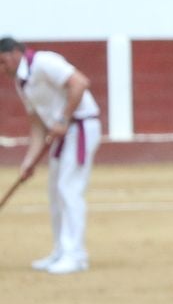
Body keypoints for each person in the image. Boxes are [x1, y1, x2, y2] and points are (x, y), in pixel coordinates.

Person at [0, 37, 101, 274]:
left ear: (16, 53)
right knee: (55, 192)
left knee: (69, 188)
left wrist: (64, 118)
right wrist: (29, 163)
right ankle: (60, 250)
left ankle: (75, 255)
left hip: (80, 126)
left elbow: (79, 83)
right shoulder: (22, 83)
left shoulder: (44, 62)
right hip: (62, 133)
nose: (1, 69)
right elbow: (37, 126)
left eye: (3, 62)